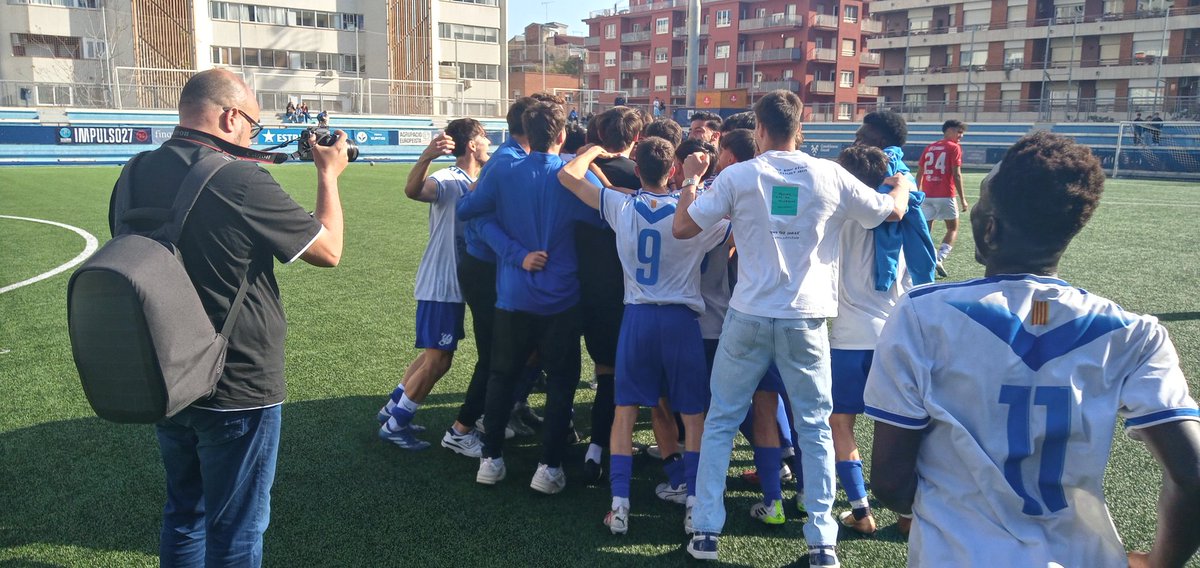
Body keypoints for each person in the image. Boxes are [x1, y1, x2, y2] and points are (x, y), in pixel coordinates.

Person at [866, 131, 1200, 568]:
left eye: (982, 203)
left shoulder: (923, 313)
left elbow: (890, 484)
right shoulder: (1136, 333)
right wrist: (1161, 563)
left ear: (990, 227)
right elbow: (1192, 475)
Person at [673, 90, 913, 566]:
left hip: (748, 317)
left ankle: (705, 532)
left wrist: (689, 182)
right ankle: (822, 542)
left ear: (759, 129)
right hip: (805, 320)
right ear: (800, 128)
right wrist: (901, 182)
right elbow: (893, 211)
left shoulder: (739, 175)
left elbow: (683, 227)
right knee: (813, 429)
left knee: (721, 420)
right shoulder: (829, 173)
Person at [118, 68, 347, 567]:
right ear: (228, 117)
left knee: (184, 512)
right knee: (237, 528)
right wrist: (328, 175)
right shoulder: (239, 177)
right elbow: (328, 250)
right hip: (237, 380)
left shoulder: (133, 171)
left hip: (165, 372)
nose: (253, 137)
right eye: (253, 127)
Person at [559, 137, 731, 535]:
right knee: (692, 414)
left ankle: (619, 506)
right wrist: (699, 181)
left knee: (625, 412)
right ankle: (694, 504)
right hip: (681, 322)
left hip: (636, 319)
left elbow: (568, 176)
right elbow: (734, 229)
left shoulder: (621, 206)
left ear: (637, 170)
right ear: (672, 171)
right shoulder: (696, 213)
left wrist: (592, 151)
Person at [457, 101, 601, 493]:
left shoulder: (502, 167)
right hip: (561, 298)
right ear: (562, 135)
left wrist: (515, 253)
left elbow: (470, 211)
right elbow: (605, 214)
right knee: (560, 383)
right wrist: (591, 158)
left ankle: (490, 460)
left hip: (513, 296)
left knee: (502, 375)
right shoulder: (572, 176)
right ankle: (548, 467)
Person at [377, 119, 490, 451]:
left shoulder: (477, 181)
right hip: (442, 280)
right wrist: (426, 156)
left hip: (456, 281)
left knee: (432, 355)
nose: (488, 145)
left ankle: (392, 408)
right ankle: (397, 425)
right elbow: (413, 191)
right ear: (472, 144)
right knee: (440, 360)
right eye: (484, 139)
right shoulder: (447, 178)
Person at [826, 144, 917, 537]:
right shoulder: (905, 219)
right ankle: (909, 513)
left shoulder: (839, 215)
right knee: (896, 429)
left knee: (839, 423)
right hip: (894, 338)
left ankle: (861, 512)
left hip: (849, 338)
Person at [576, 106, 643, 485]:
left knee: (606, 373)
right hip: (632, 293)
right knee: (634, 379)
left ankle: (595, 450)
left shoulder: (576, 174)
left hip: (589, 289)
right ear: (636, 138)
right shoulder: (644, 177)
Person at [917, 120, 969, 277]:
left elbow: (920, 172)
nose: (960, 136)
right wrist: (963, 199)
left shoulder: (930, 147)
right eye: (958, 132)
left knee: (925, 230)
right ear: (949, 130)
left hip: (927, 195)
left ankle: (928, 257)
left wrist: (917, 192)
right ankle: (939, 258)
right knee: (952, 228)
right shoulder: (954, 148)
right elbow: (956, 174)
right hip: (945, 194)